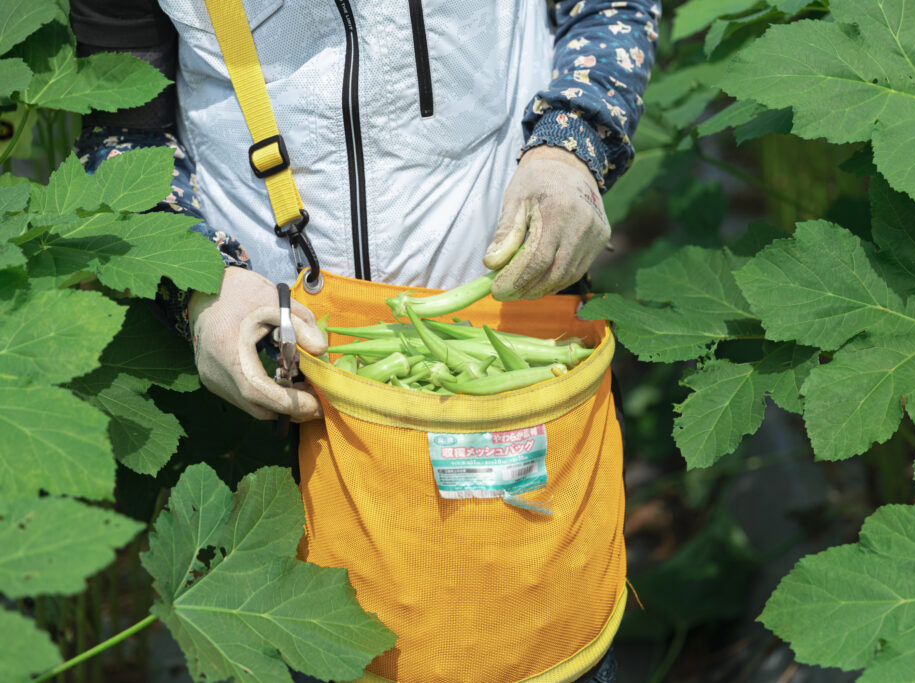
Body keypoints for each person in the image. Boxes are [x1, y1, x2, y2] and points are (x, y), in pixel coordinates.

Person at [71, 1, 659, 680]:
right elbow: (122, 129)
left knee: (535, 646)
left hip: (510, 357)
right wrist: (201, 287)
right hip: (274, 383)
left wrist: (570, 147)